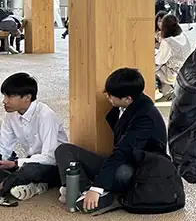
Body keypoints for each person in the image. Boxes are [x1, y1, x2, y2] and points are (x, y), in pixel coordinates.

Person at [55, 68, 167, 210]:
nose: (108, 97)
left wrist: (97, 187)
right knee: (64, 150)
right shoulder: (126, 106)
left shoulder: (145, 117)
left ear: (128, 98)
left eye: (111, 95)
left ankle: (96, 192)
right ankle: (88, 192)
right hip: (123, 161)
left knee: (122, 173)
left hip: (140, 171)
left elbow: (122, 151)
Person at [0, 73, 67, 202]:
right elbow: (4, 146)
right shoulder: (11, 115)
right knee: (18, 167)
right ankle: (30, 185)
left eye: (9, 96)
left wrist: (15, 164)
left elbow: (50, 157)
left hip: (53, 165)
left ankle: (4, 186)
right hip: (29, 160)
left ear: (27, 98)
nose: (4, 101)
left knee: (30, 170)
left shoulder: (45, 115)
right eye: (4, 96)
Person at [155, 14, 193, 101]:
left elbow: (159, 60)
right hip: (185, 71)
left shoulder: (168, 42)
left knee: (150, 67)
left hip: (171, 73)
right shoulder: (183, 36)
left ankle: (157, 91)